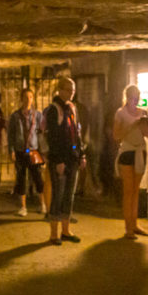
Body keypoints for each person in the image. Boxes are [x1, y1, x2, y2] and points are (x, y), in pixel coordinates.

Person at [44, 77, 86, 244]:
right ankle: (54, 233)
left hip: (73, 158)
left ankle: (66, 230)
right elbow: (53, 137)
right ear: (60, 90)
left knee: (69, 195)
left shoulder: (72, 109)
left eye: (73, 90)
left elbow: (77, 133)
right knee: (58, 195)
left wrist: (81, 154)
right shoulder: (53, 110)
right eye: (68, 89)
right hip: (59, 160)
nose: (71, 93)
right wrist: (59, 160)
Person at [114, 84, 148, 239]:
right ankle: (128, 227)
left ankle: (135, 224)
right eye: (132, 98)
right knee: (128, 191)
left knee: (136, 191)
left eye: (137, 98)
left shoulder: (142, 112)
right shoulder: (120, 113)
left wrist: (144, 125)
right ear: (127, 98)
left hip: (140, 152)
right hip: (128, 152)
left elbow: (147, 135)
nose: (135, 101)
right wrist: (131, 126)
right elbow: (116, 136)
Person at [7, 88, 47, 217]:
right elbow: (11, 135)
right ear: (21, 99)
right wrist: (11, 150)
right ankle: (23, 207)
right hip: (20, 151)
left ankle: (43, 204)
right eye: (25, 97)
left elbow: (42, 133)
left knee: (38, 178)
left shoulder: (38, 115)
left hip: (33, 150)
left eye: (30, 97)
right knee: (21, 179)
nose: (28, 99)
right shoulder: (15, 116)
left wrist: (43, 152)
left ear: (33, 99)